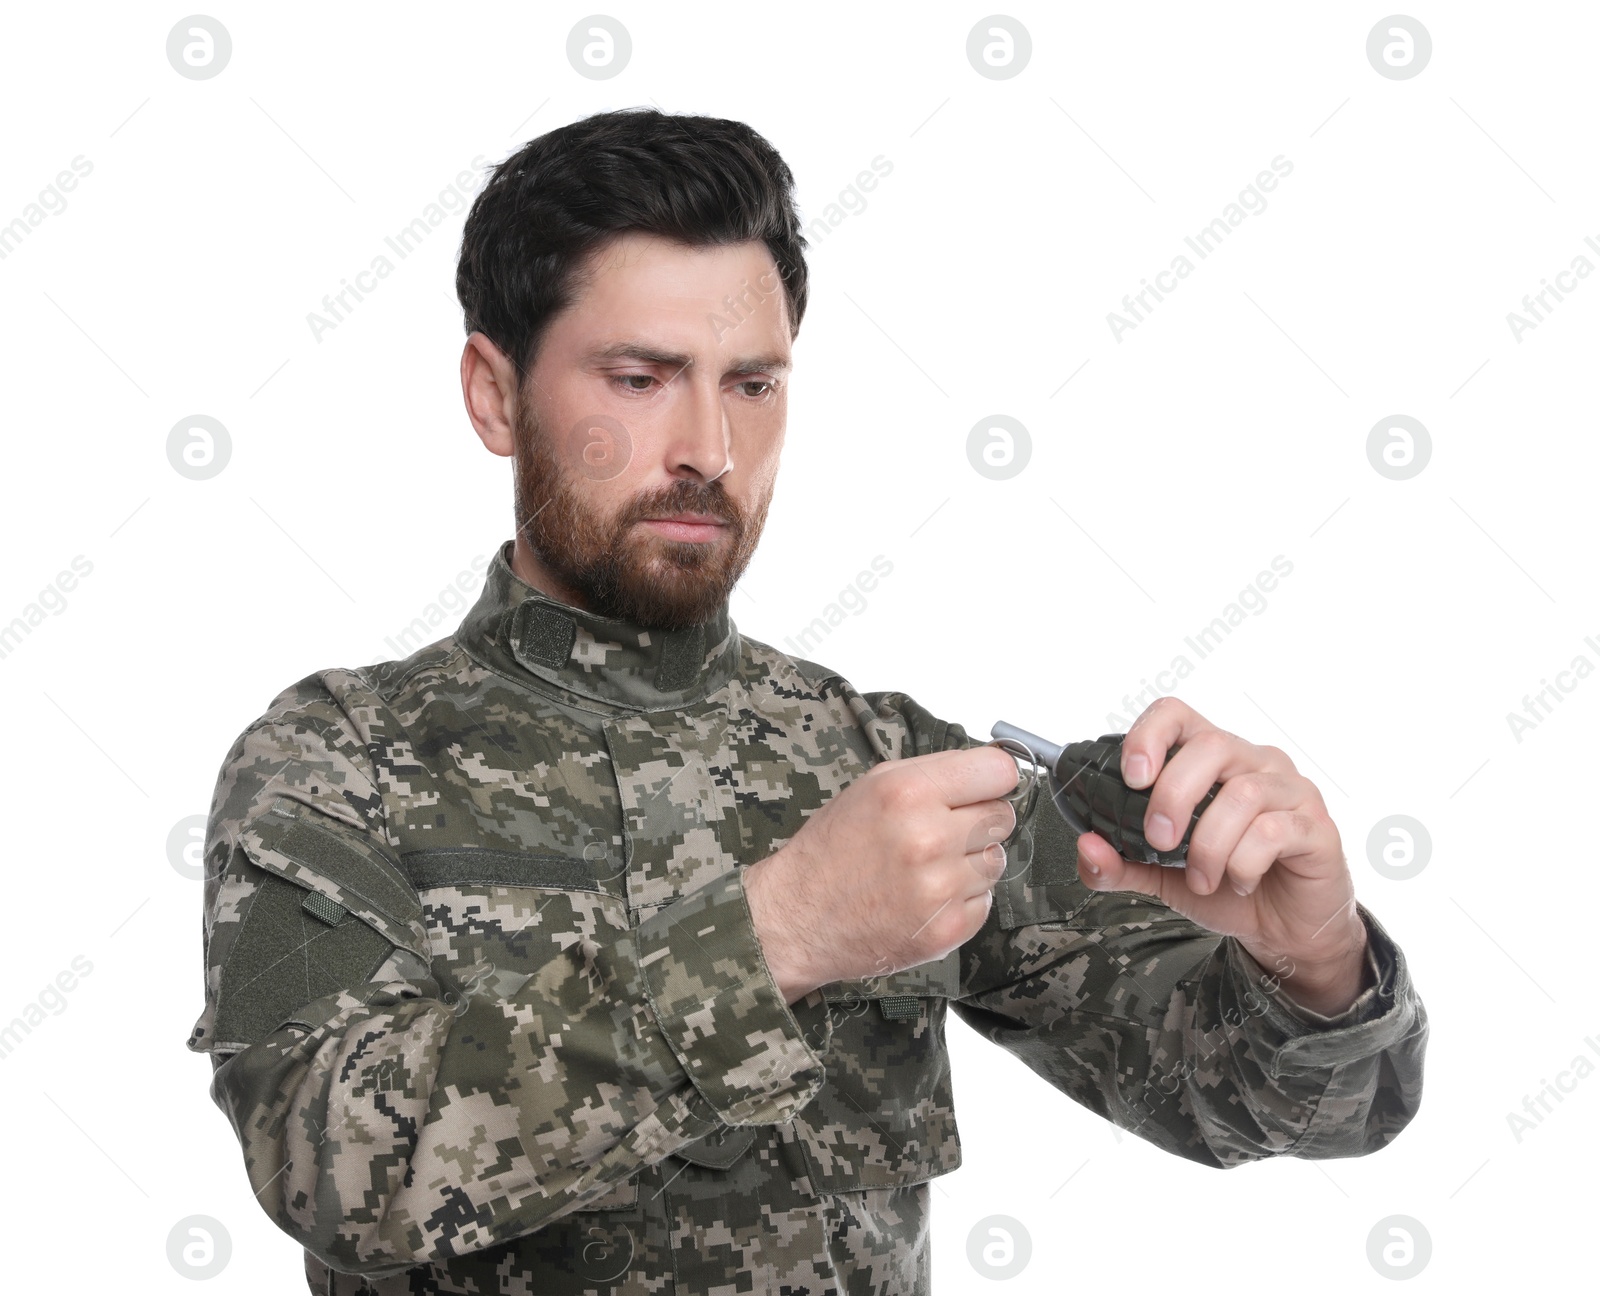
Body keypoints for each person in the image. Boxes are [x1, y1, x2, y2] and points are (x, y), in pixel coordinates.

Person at [186, 107, 1427, 1295]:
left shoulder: (883, 763)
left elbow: (1280, 1105)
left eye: (753, 385)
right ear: (495, 394)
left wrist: (1311, 958)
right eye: (639, 377)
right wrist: (779, 933)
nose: (708, 450)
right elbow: (323, 1158)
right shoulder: (330, 761)